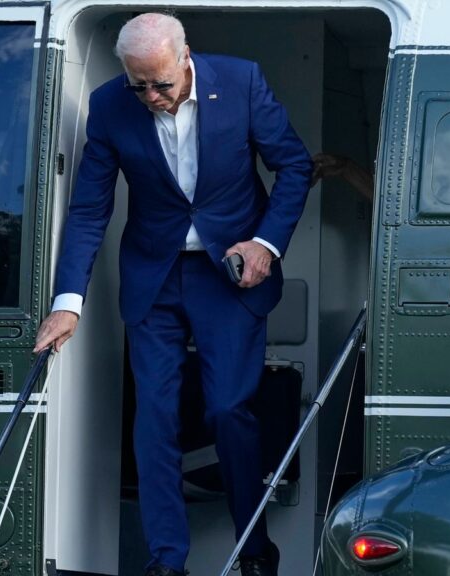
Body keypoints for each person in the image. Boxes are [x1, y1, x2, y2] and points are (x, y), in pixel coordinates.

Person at [33, 13, 312, 576]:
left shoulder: (241, 81)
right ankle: (167, 562)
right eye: (141, 85)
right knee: (153, 418)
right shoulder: (112, 105)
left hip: (230, 273)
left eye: (162, 82)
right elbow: (90, 210)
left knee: (229, 410)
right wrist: (68, 303)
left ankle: (254, 553)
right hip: (153, 276)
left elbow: (295, 166)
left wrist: (266, 244)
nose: (153, 96)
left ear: (186, 57)